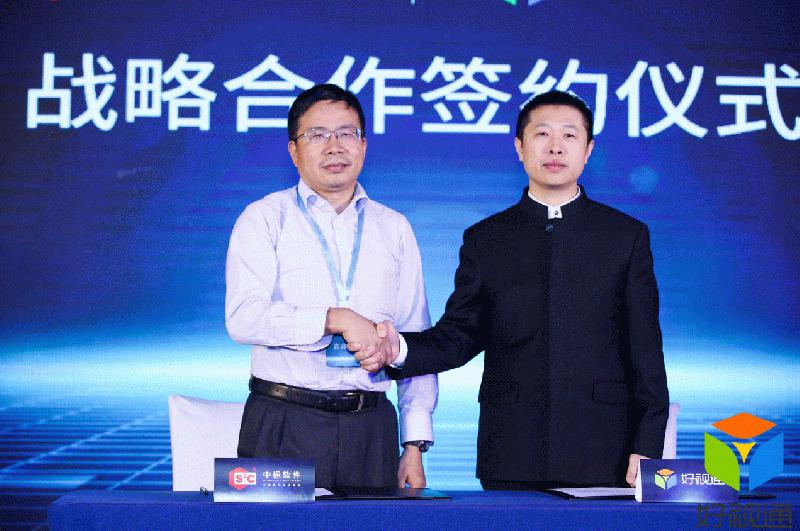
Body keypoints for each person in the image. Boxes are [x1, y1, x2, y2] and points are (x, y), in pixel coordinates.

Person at [359, 90, 669, 489]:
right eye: (542, 134)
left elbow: (646, 352)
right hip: (512, 447)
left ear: (588, 150)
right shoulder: (487, 239)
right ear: (520, 147)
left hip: (606, 447)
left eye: (569, 135)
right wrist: (398, 349)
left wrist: (647, 445)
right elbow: (460, 335)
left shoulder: (625, 237)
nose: (555, 146)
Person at [225, 84, 437, 490]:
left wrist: (414, 443)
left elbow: (414, 336)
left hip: (371, 428)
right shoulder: (263, 218)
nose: (334, 146)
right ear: (294, 150)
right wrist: (333, 319)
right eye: (317, 135)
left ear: (364, 146)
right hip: (283, 420)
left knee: (373, 524)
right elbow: (243, 317)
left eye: (346, 133)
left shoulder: (394, 227)